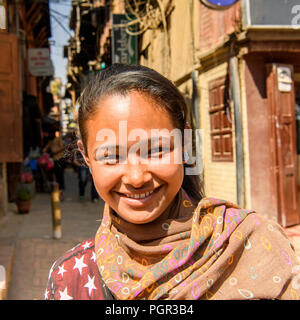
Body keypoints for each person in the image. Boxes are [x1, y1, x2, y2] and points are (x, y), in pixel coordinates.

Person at [45, 64, 300, 300]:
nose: (137, 178)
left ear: (185, 144)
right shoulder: (71, 278)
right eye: (111, 156)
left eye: (156, 150)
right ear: (87, 157)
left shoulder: (252, 242)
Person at [43, 130, 65, 200]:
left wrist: (54, 152)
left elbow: (63, 148)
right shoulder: (52, 141)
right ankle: (58, 191)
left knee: (60, 176)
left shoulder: (58, 139)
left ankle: (60, 192)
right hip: (55, 160)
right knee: (56, 176)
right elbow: (45, 149)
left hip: (59, 160)